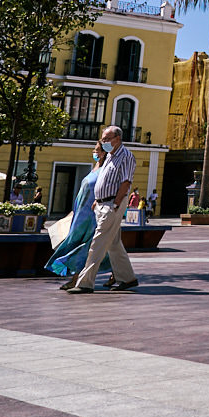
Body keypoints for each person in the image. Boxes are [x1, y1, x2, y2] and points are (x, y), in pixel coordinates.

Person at [68, 126, 138, 294]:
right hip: (101, 204)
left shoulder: (126, 157)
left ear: (117, 139)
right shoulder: (110, 156)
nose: (104, 142)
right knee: (114, 244)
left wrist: (116, 203)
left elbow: (126, 182)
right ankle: (127, 278)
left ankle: (85, 282)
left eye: (107, 139)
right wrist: (97, 201)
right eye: (103, 139)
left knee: (97, 244)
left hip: (112, 205)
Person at [48, 146, 112, 286]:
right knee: (85, 245)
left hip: (92, 216)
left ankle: (76, 278)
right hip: (80, 215)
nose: (93, 152)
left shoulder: (106, 170)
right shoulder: (95, 168)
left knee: (84, 247)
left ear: (103, 153)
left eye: (96, 150)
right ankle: (117, 272)